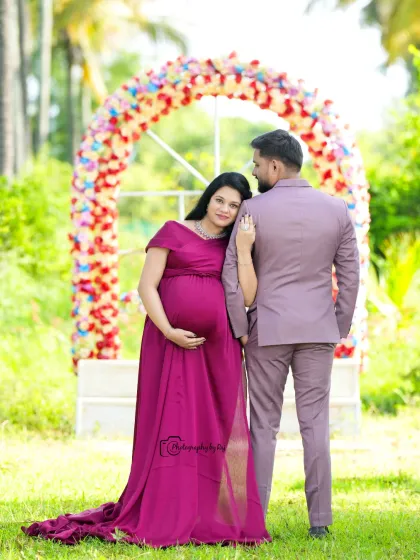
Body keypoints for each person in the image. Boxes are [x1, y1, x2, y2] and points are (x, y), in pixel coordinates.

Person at [21, 172, 271, 548]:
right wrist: (170, 329)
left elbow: (249, 296)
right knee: (172, 423)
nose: (225, 210)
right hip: (169, 342)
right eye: (220, 200)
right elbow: (146, 285)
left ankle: (210, 512)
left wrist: (245, 249)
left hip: (218, 349)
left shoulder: (236, 243)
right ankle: (168, 506)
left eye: (234, 205)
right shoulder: (173, 230)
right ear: (208, 198)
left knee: (215, 426)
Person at [222, 130, 360, 539]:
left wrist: (240, 327)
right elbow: (350, 277)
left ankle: (256, 517)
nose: (255, 170)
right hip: (318, 328)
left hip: (267, 328)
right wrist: (337, 326)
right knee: (315, 424)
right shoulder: (336, 209)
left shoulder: (252, 210)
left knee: (262, 425)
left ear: (275, 166)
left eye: (258, 164)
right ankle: (320, 522)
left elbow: (233, 275)